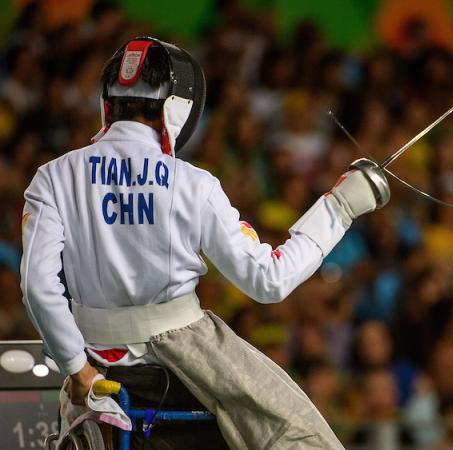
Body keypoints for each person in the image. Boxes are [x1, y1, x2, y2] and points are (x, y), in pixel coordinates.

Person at [20, 37, 389, 449]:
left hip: (91, 362)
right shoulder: (193, 184)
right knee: (302, 435)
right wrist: (339, 208)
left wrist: (76, 368)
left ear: (108, 102)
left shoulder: (52, 177)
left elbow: (38, 287)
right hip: (184, 356)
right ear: (177, 107)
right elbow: (268, 281)